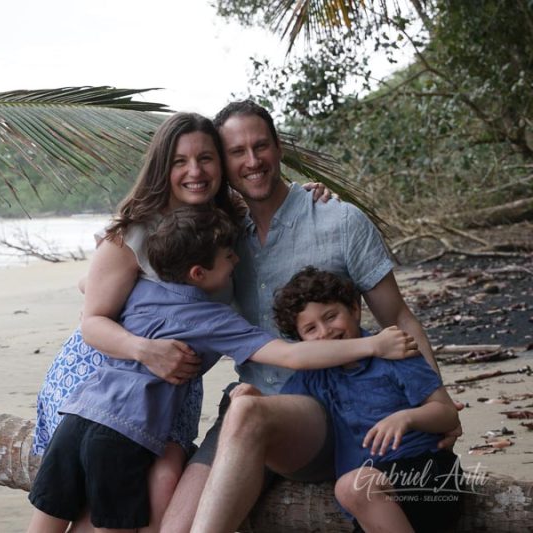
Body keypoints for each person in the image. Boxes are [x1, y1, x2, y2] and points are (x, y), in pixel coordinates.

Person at [81, 100, 461, 531]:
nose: (253, 161)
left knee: (246, 411)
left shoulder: (339, 221)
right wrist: (140, 345)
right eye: (237, 152)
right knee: (177, 521)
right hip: (249, 410)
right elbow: (123, 276)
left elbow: (399, 318)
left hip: (331, 415)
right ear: (224, 164)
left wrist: (438, 399)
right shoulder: (220, 237)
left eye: (261, 146)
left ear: (279, 148)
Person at [27, 208, 419, 533]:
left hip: (76, 416)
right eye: (229, 256)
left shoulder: (141, 288)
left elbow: (87, 283)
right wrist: (373, 343)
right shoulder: (212, 318)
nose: (236, 260)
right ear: (199, 274)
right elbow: (291, 356)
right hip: (124, 433)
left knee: (50, 517)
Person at [33, 110, 329, 531]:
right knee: (93, 496)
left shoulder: (225, 224)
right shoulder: (133, 232)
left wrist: (309, 194)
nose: (195, 171)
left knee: (164, 479)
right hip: (105, 372)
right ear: (162, 167)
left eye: (206, 158)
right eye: (179, 161)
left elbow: (274, 201)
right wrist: (145, 350)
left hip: (170, 387)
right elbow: (93, 319)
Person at [273, 267, 462, 532]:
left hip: (426, 474)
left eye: (331, 316)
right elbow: (283, 417)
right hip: (370, 502)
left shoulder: (395, 354)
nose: (325, 332)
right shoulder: (311, 377)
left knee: (352, 486)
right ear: (300, 339)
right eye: (310, 329)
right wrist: (250, 398)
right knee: (354, 488)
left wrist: (406, 418)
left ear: (354, 308)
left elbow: (447, 413)